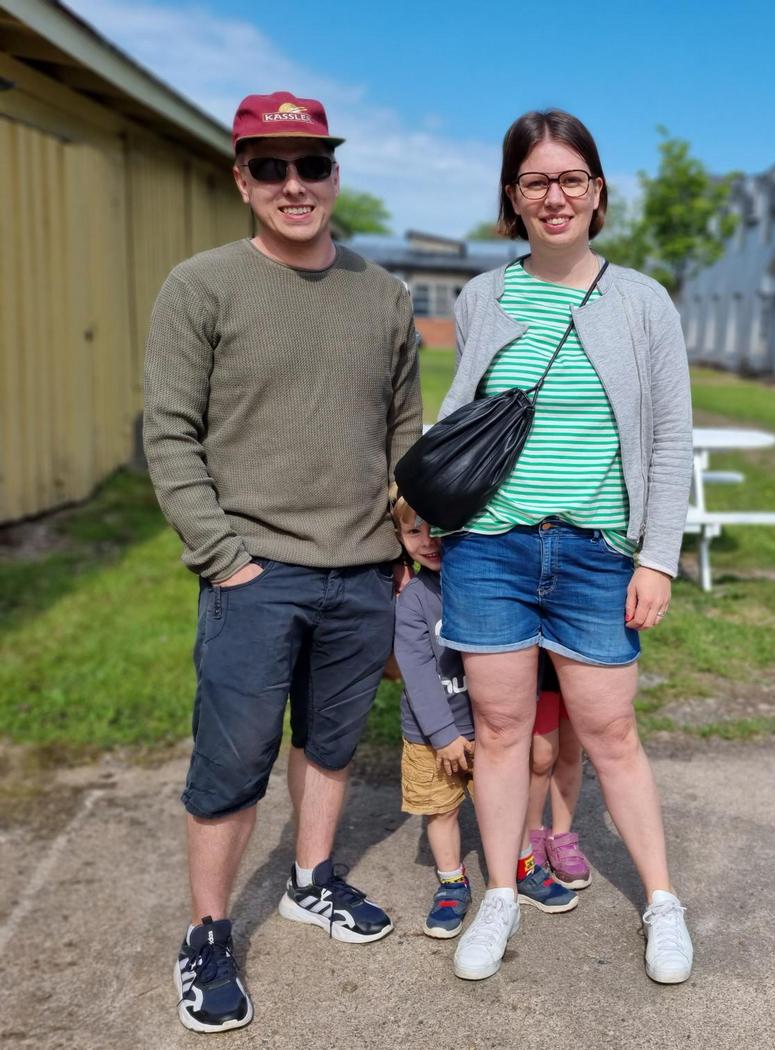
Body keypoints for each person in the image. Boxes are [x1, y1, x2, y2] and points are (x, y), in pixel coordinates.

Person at [143, 91, 421, 1034]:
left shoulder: (385, 296)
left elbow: (401, 433)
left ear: (335, 174)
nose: (293, 184)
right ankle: (210, 932)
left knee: (331, 745)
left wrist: (404, 536)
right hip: (254, 573)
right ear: (242, 179)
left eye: (310, 166)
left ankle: (310, 881)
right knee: (231, 763)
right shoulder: (202, 285)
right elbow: (171, 436)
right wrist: (223, 558)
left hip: (362, 572)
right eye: (271, 167)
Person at [436, 109, 694, 985]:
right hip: (491, 552)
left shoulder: (642, 300)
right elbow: (461, 421)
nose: (556, 198)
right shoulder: (482, 296)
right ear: (512, 197)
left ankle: (662, 902)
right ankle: (500, 896)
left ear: (598, 191)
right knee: (502, 731)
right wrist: (427, 519)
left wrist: (657, 556)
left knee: (611, 731)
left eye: (571, 180)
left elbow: (668, 439)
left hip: (594, 554)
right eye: (536, 182)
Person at [392, 495, 477, 938]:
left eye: (436, 527)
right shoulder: (413, 601)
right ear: (400, 539)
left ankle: (521, 868)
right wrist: (443, 734)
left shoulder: (483, 585)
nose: (428, 541)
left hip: (488, 730)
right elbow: (417, 672)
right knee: (440, 811)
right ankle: (451, 883)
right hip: (431, 734)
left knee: (508, 805)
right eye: (413, 532)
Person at [524, 659, 592, 891]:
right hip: (539, 658)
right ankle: (533, 832)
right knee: (541, 757)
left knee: (572, 751)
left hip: (578, 655)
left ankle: (560, 836)